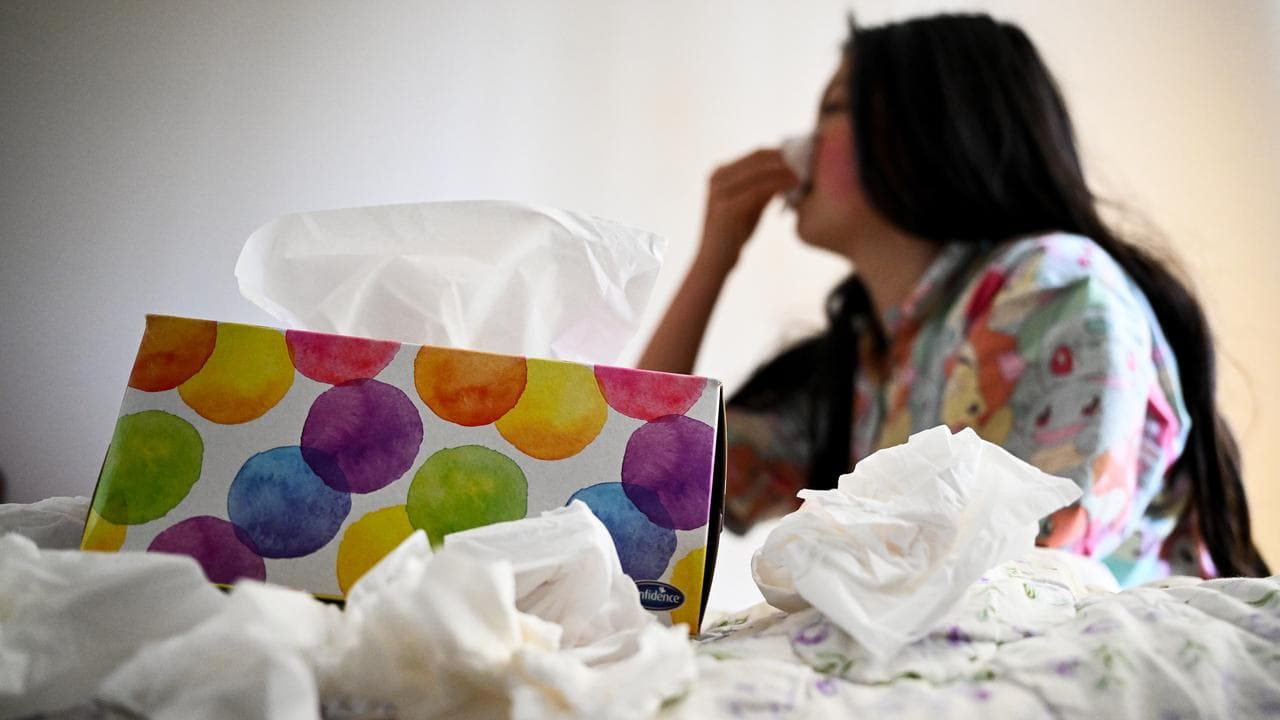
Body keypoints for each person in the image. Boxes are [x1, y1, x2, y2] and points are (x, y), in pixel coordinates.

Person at [638, 13, 1270, 585]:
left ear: (924, 130)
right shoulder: (860, 369)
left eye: (832, 109)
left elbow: (1036, 571)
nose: (795, 147)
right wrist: (713, 259)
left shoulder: (1052, 290)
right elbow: (642, 477)